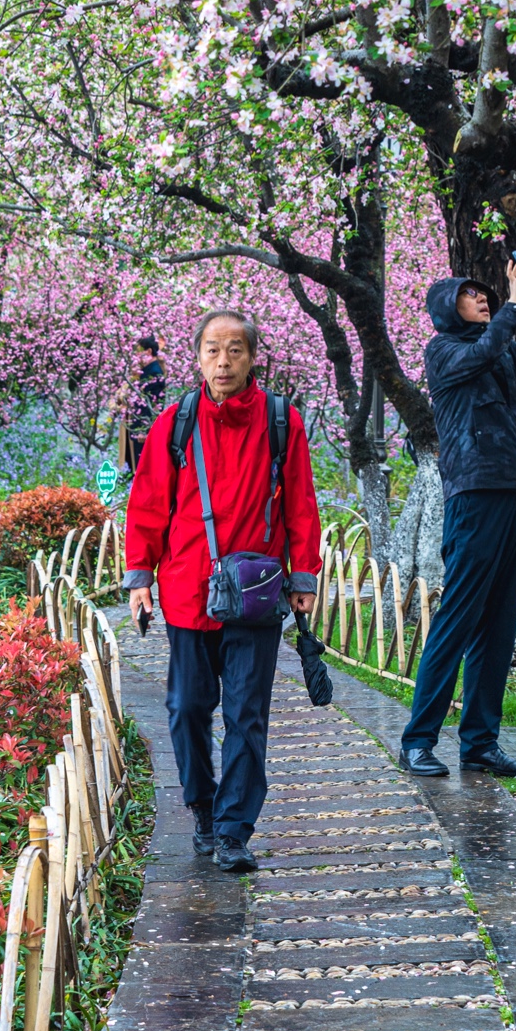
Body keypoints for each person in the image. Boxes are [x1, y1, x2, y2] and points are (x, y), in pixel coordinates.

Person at [125, 310, 322, 872]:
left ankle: (234, 830)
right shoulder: (175, 422)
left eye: (235, 349)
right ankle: (203, 809)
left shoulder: (282, 421)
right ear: (197, 357)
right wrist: (140, 578)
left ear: (253, 357)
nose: (224, 361)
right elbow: (147, 505)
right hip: (188, 590)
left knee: (246, 715)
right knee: (187, 708)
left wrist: (302, 576)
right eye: (213, 350)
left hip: (256, 594)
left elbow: (301, 503)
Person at [399, 259, 516, 780]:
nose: (483, 299)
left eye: (485, 295)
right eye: (470, 295)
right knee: (457, 618)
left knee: (498, 624)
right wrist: (515, 307)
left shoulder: (502, 351)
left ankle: (479, 742)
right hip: (476, 497)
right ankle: (418, 741)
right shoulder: (446, 352)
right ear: (446, 309)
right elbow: (485, 349)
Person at [121, 335, 168, 474]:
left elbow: (153, 404)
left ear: (148, 352)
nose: (136, 355)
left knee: (144, 466)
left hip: (143, 428)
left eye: (138, 351)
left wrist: (144, 429)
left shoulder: (154, 372)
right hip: (137, 425)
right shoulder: (146, 371)